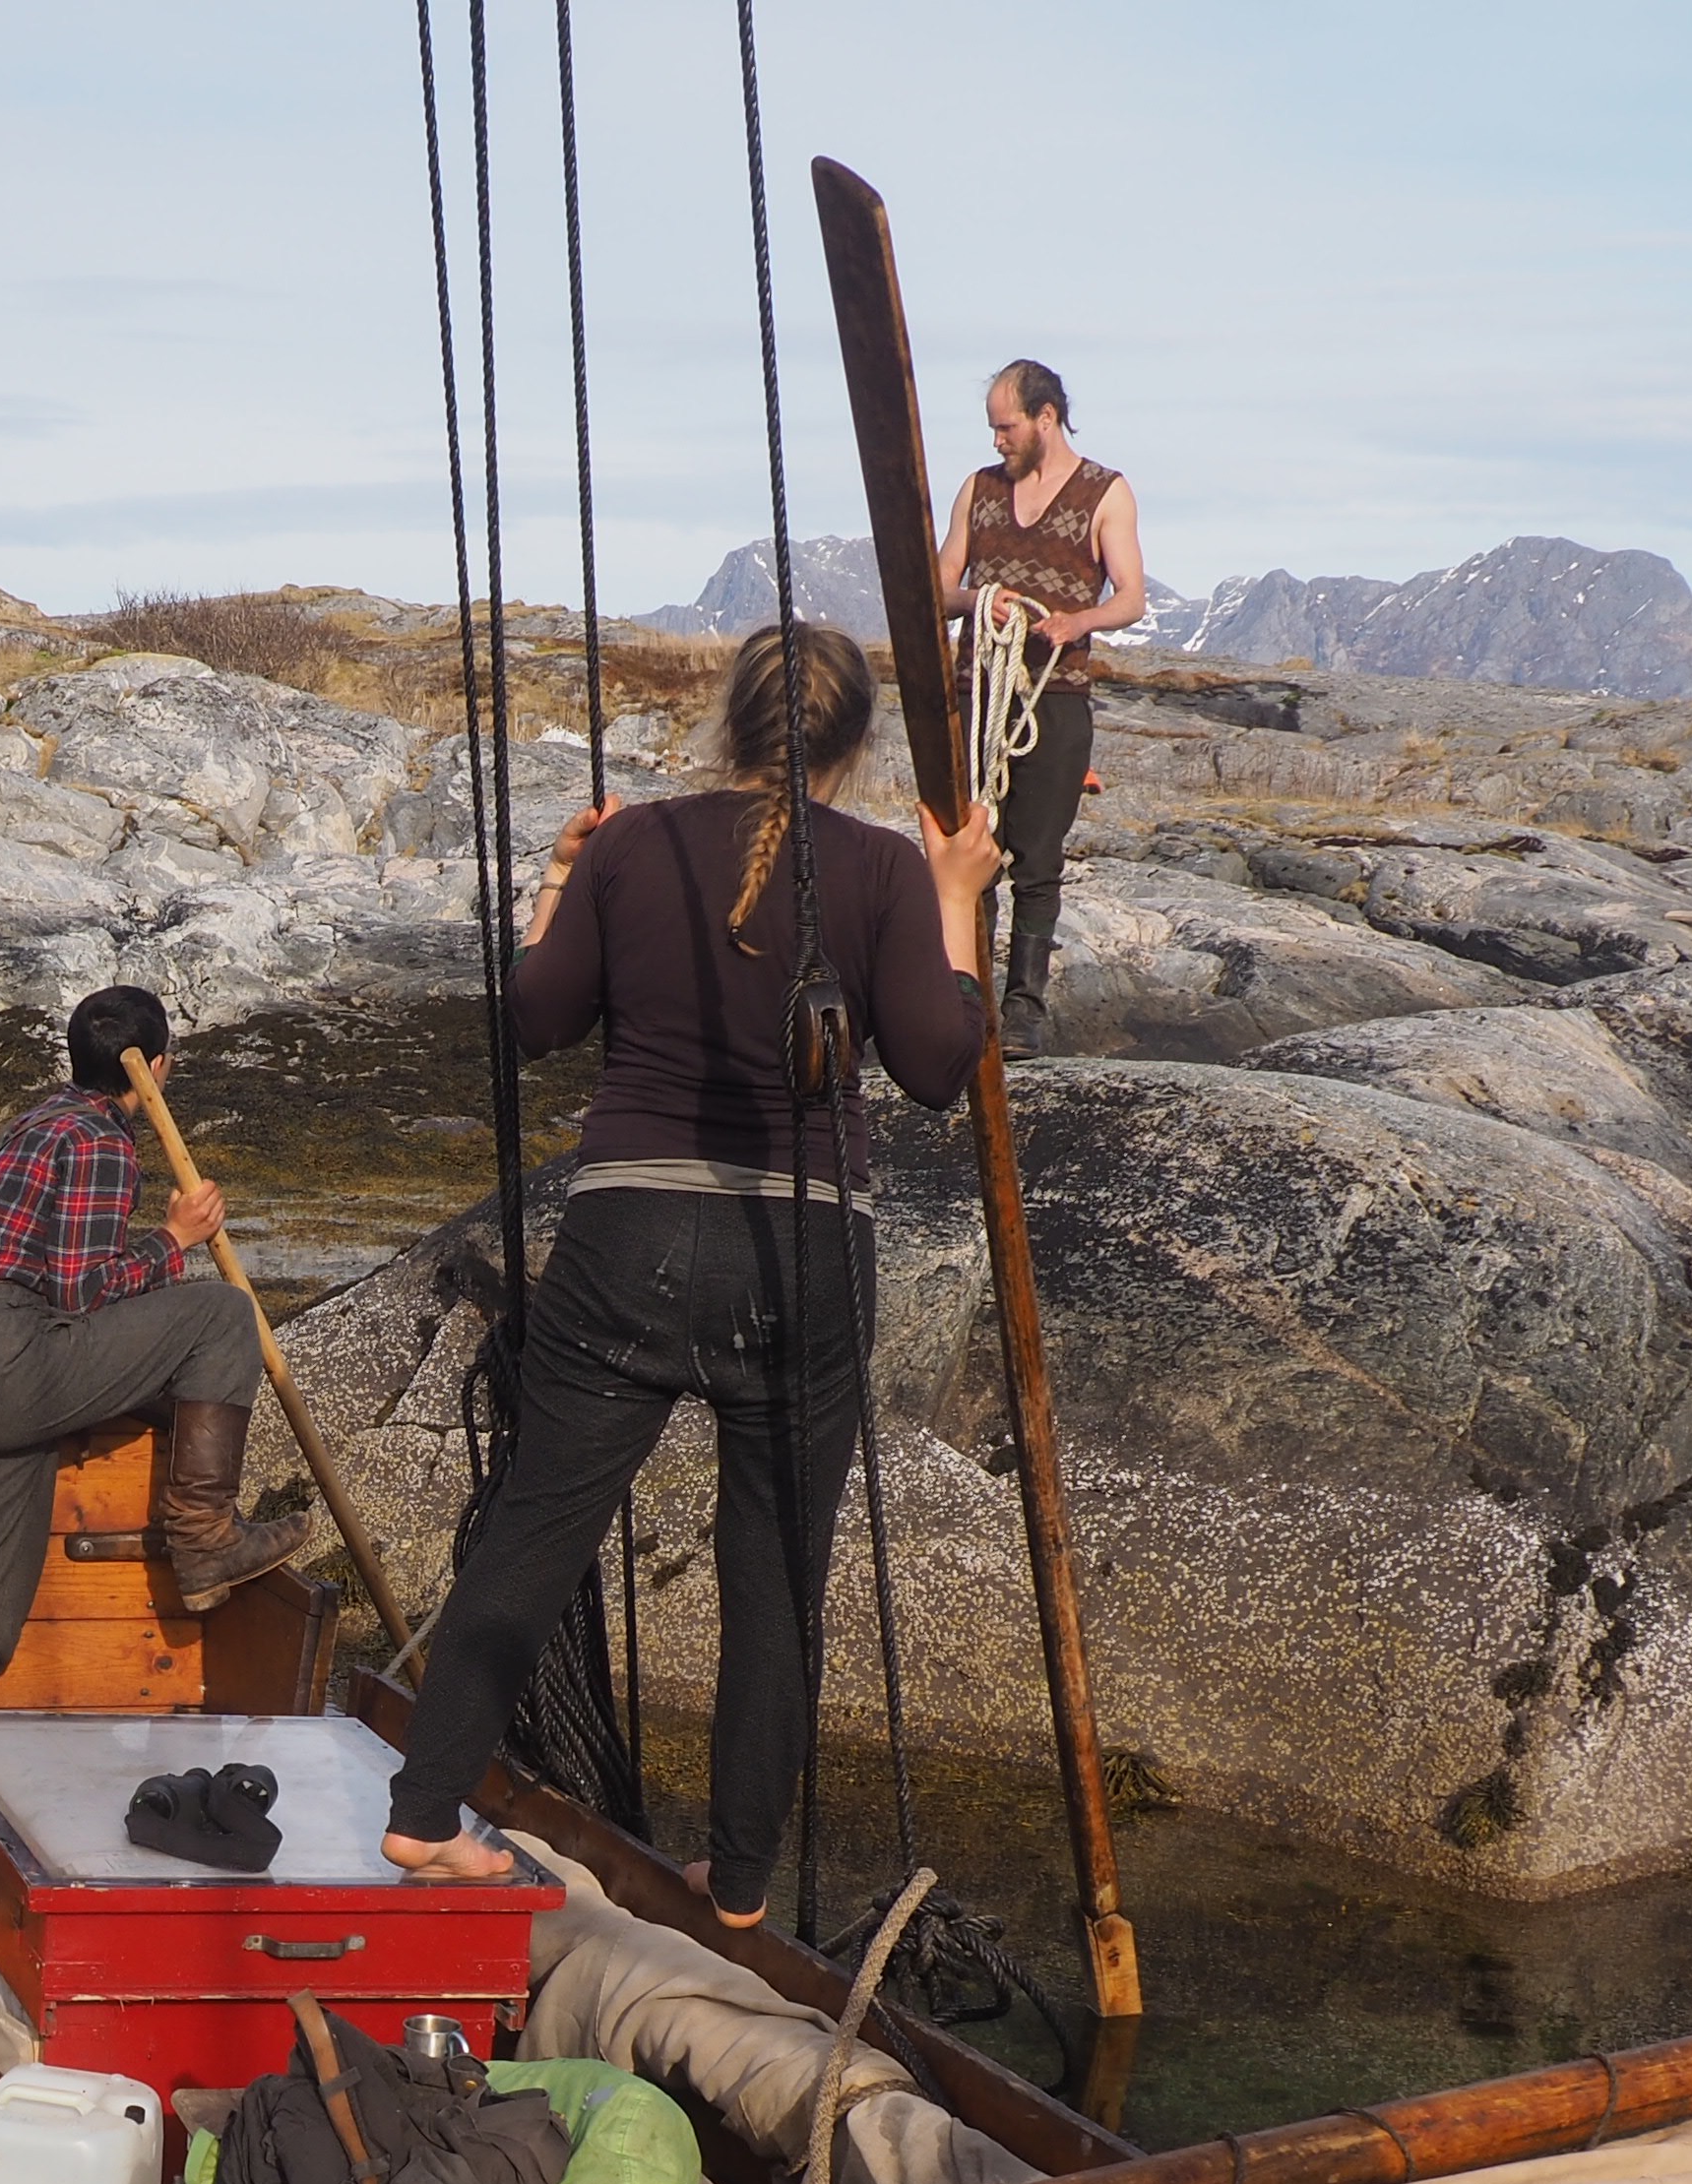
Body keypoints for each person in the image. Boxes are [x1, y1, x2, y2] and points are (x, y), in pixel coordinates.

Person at [378, 625, 997, 1918]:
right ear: (856, 742)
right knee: (774, 1580)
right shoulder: (882, 867)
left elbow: (538, 1016)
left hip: (629, 1234)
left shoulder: (634, 844)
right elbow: (941, 1065)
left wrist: (561, 878)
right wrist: (957, 897)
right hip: (805, 1250)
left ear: (727, 720)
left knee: (534, 1531)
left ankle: (424, 1817)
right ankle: (740, 1885)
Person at [0, 984, 314, 1709]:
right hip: (12, 1354)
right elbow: (81, 1294)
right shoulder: (98, 1137)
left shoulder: (25, 1123)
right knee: (221, 1315)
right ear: (152, 1067)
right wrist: (176, 1238)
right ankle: (206, 1540)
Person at [931, 356, 1144, 1045]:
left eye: (1007, 427)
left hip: (1056, 698)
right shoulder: (979, 489)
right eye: (994, 429)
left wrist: (1078, 622)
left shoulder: (1105, 492)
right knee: (973, 847)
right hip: (977, 695)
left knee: (1037, 858)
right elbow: (937, 588)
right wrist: (979, 601)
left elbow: (1131, 598)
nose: (997, 441)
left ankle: (1024, 1010)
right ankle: (966, 1000)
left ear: (1045, 418)